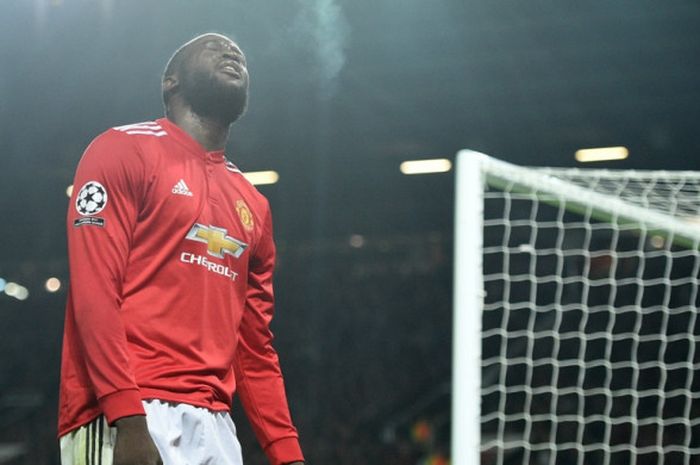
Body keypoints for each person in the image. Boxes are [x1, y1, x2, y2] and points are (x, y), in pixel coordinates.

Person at [57, 33, 305, 465]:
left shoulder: (254, 205)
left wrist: (288, 454)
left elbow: (254, 348)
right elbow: (95, 291)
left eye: (239, 53)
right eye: (213, 47)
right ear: (171, 81)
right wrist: (127, 418)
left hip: (215, 425)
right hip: (124, 410)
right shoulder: (121, 149)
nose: (232, 52)